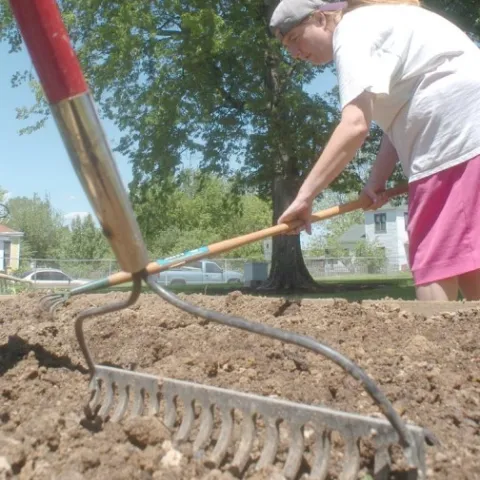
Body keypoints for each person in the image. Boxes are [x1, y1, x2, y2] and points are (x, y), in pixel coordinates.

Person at [270, 0, 480, 301]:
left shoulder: (351, 30)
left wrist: (305, 197)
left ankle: (431, 345)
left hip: (453, 128)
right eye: (286, 48)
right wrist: (375, 181)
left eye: (294, 39)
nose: (295, 53)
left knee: (434, 260)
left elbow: (355, 125)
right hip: (466, 127)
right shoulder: (379, 25)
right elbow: (397, 123)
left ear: (320, 19)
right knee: (468, 257)